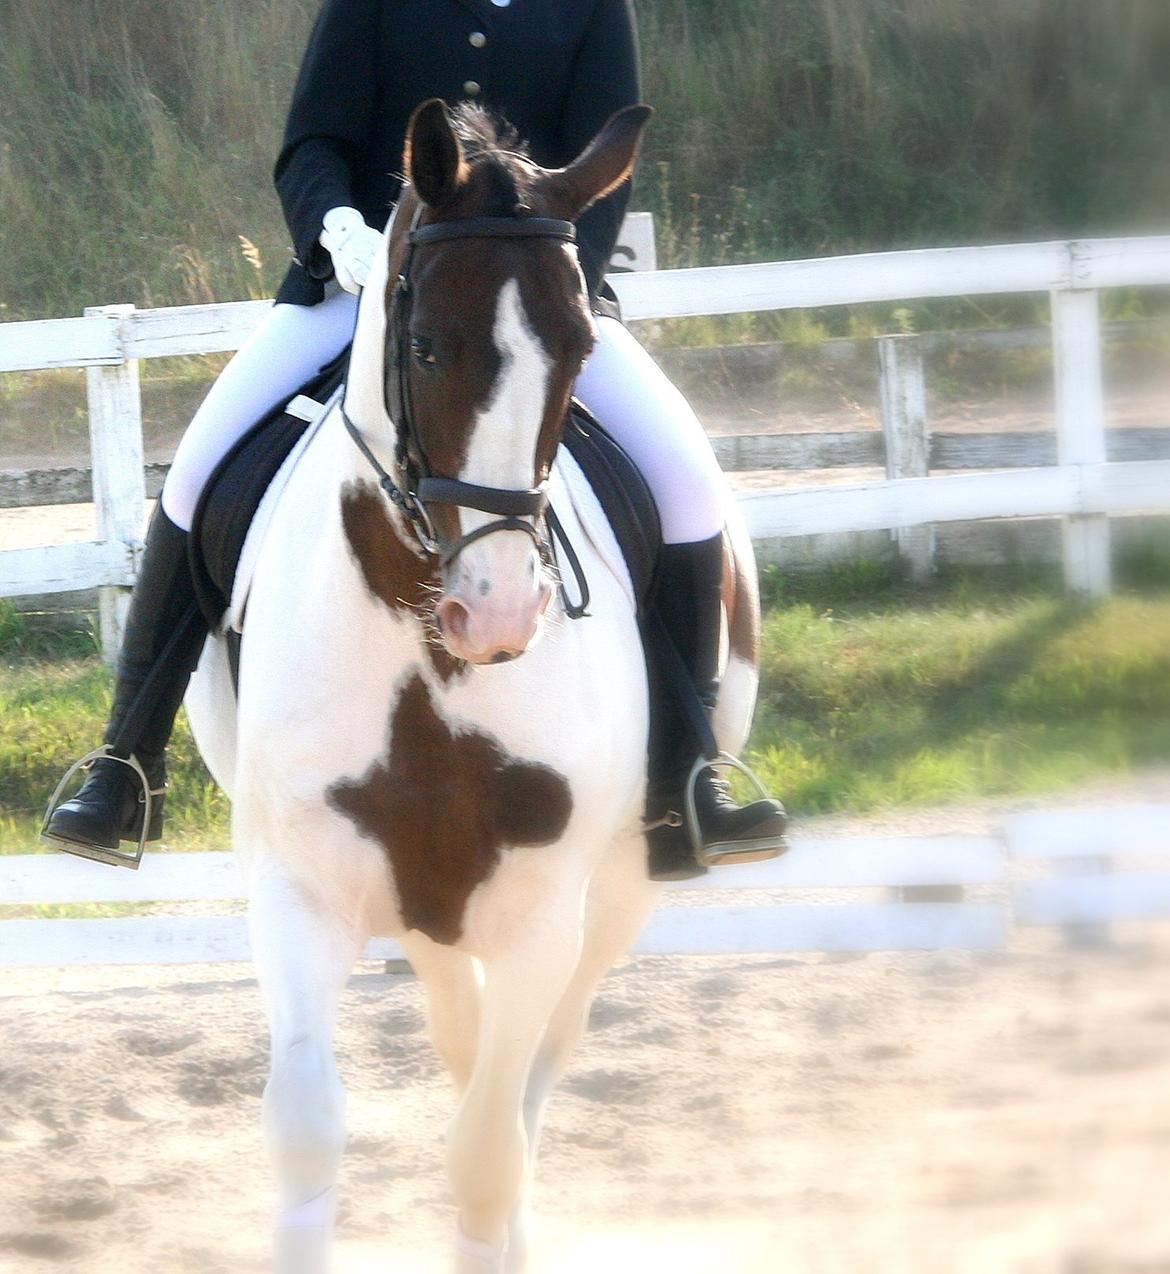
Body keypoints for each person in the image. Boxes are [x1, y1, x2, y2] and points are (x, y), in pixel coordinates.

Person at [43, 0, 786, 880]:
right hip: (363, 286)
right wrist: (337, 231)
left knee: (684, 479)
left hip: (530, 296)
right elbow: (311, 145)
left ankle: (690, 775)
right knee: (200, 473)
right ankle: (127, 762)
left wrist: (550, 278)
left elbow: (599, 167)